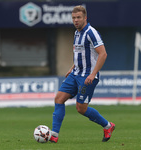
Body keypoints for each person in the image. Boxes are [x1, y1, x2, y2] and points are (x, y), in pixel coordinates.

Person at [49, 5, 115, 143]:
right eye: (73, 18)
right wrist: (72, 67)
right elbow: (81, 53)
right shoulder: (76, 33)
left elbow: (103, 54)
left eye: (78, 17)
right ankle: (54, 134)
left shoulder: (91, 33)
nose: (76, 20)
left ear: (85, 18)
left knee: (81, 108)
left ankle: (108, 126)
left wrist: (93, 74)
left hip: (87, 77)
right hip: (75, 73)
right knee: (59, 99)